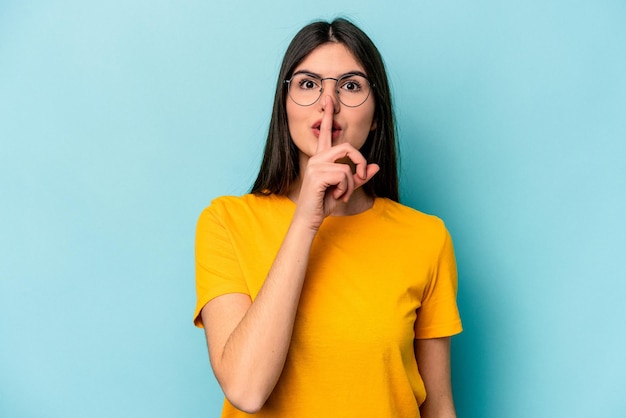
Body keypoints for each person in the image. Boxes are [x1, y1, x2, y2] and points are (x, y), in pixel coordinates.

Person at [194, 17, 462, 418]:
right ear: (283, 107)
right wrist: (306, 222)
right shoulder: (226, 222)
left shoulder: (427, 237)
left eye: (351, 86)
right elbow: (246, 390)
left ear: (376, 116)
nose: (328, 103)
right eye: (308, 84)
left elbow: (438, 406)